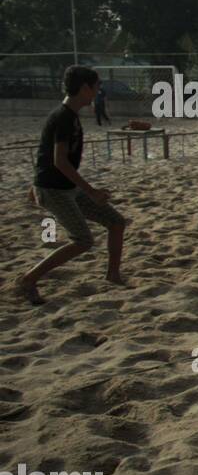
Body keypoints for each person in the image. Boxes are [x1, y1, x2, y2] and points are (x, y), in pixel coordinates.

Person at [17, 66, 129, 305]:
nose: (98, 92)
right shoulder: (63, 117)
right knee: (83, 240)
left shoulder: (69, 116)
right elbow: (59, 161)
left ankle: (113, 275)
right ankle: (28, 279)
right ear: (85, 88)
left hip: (66, 187)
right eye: (96, 87)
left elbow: (45, 154)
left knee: (116, 223)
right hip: (55, 190)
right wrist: (92, 191)